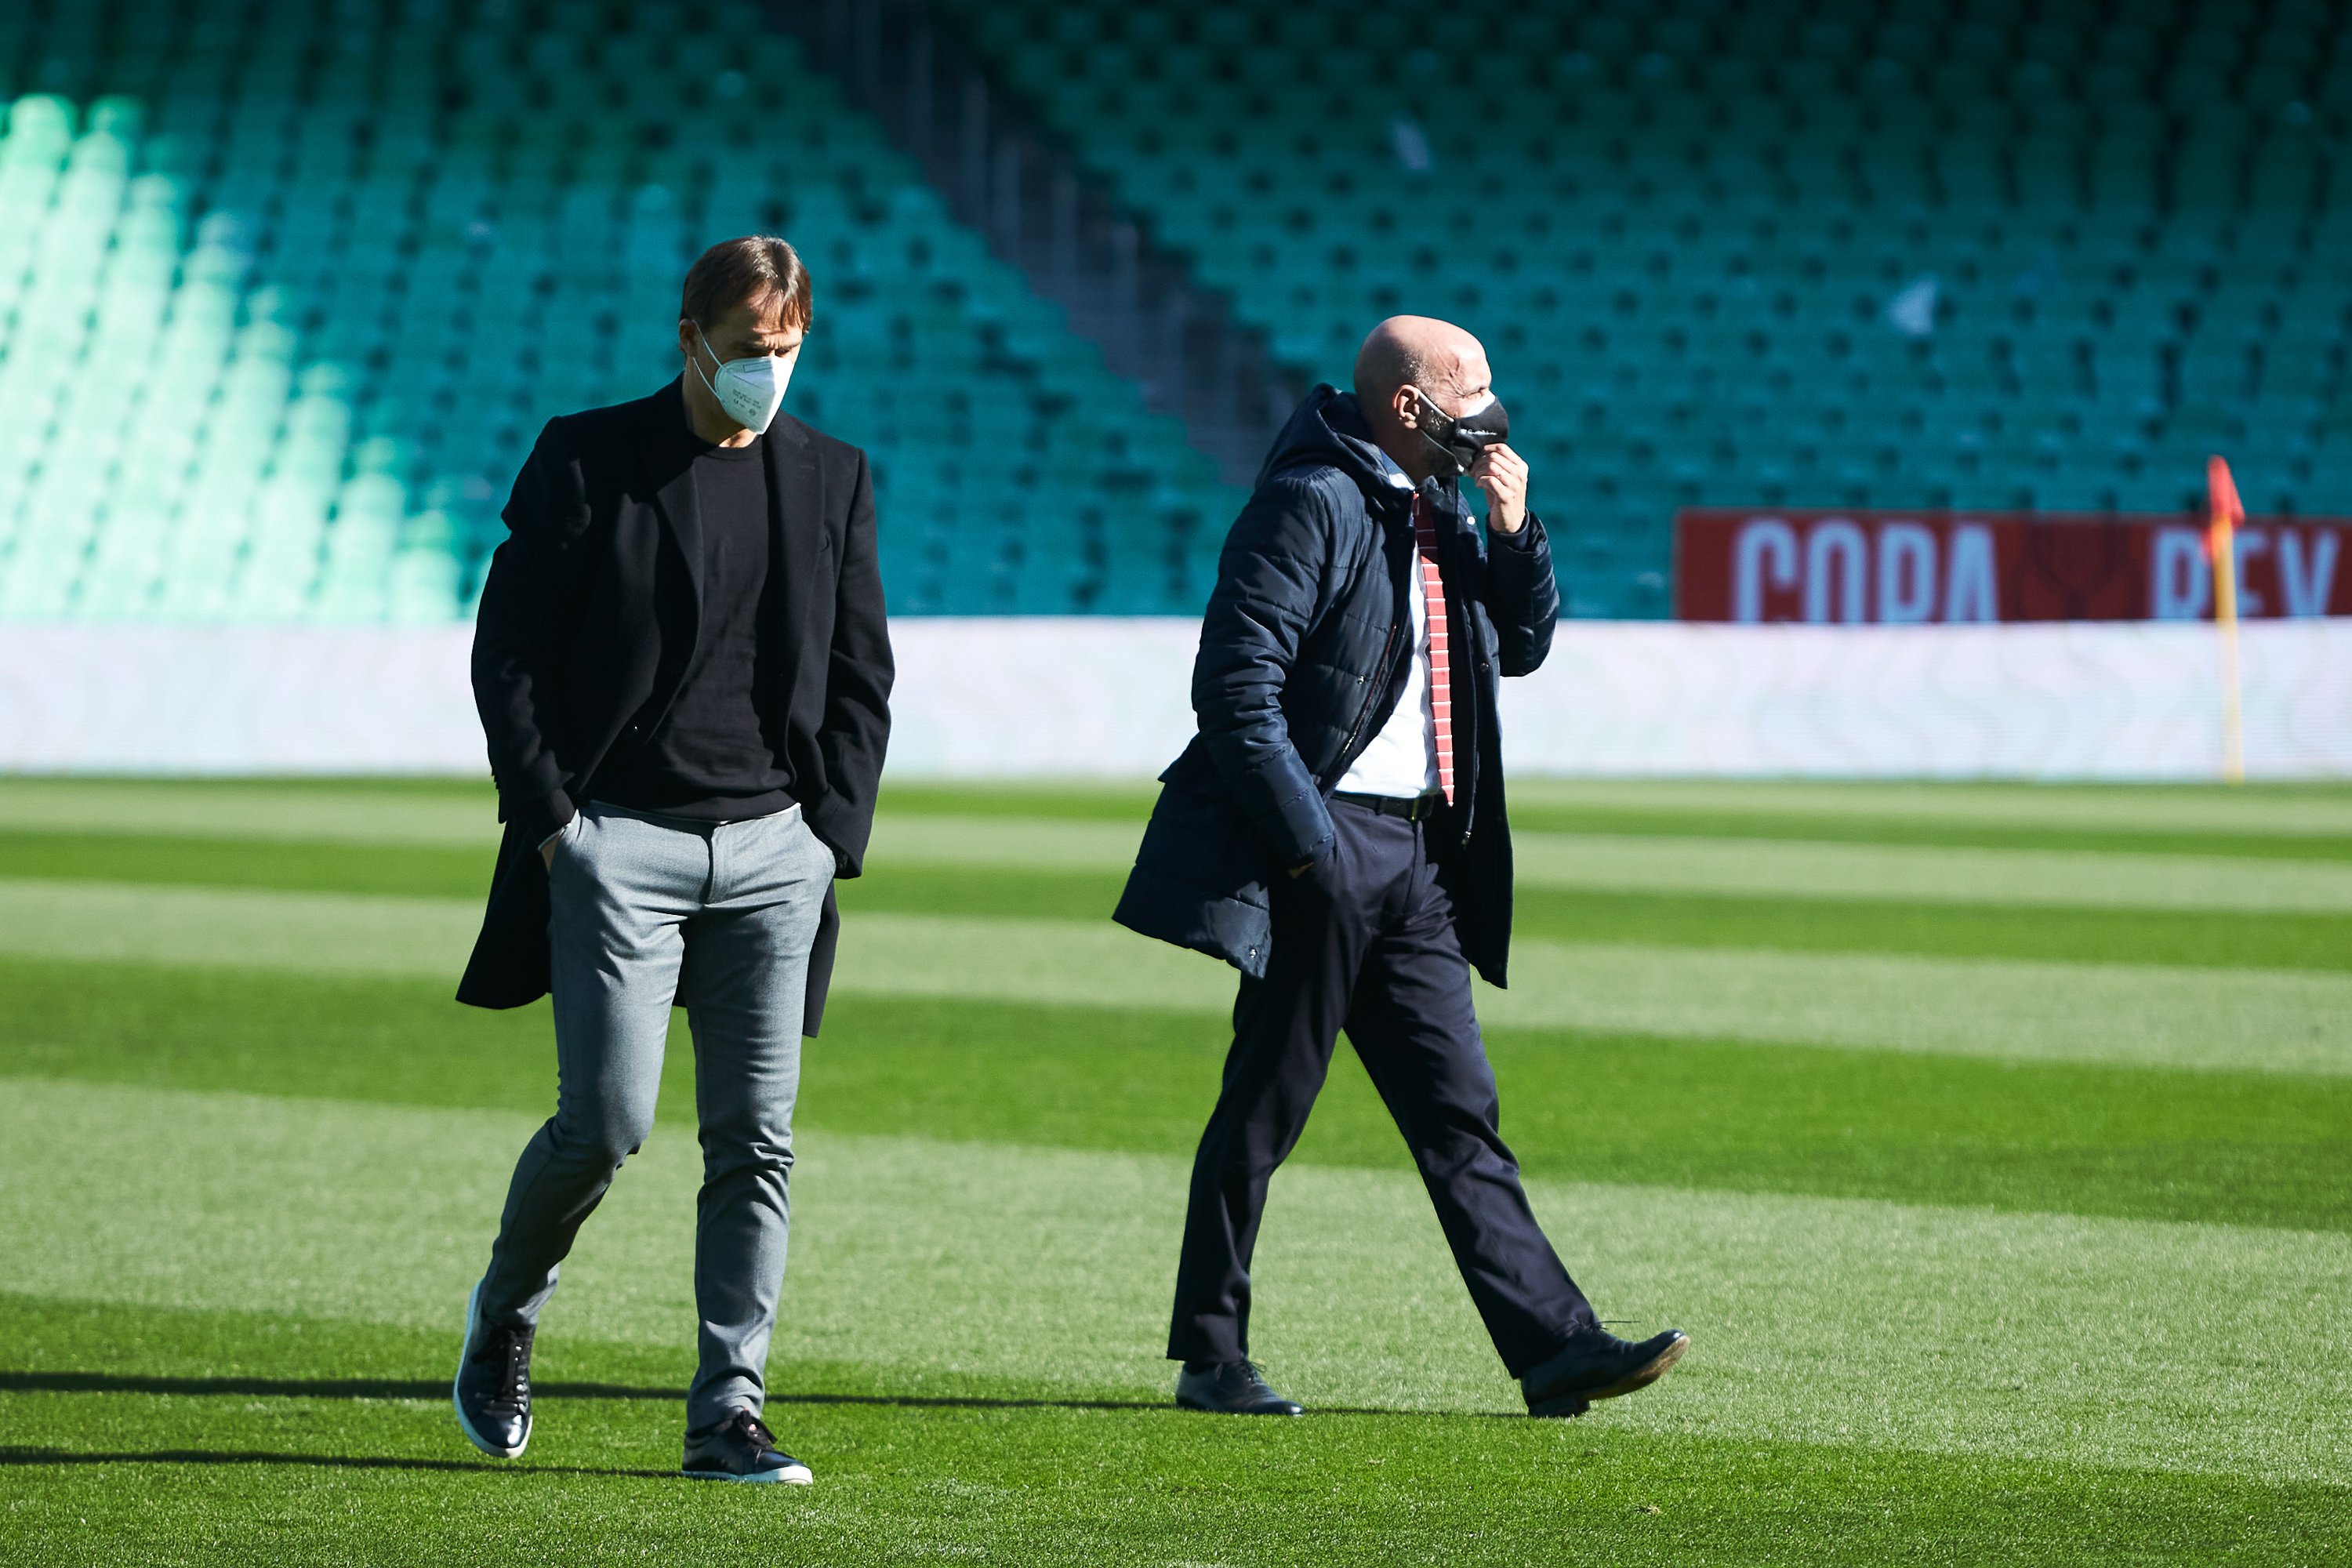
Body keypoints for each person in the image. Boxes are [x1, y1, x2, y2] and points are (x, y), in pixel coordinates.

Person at [1116, 316, 1686, 1418]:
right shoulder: (1313, 502)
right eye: (1467, 387)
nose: (1491, 406)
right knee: (1267, 1107)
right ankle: (1212, 1356)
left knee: (1458, 1111)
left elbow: (1520, 647)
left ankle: (1555, 1348)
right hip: (1326, 843)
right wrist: (1307, 845)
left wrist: (1519, 533)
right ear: (1409, 407)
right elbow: (1235, 689)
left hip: (1417, 853)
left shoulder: (1442, 506)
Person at [450, 236, 892, 1483]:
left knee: (756, 1143)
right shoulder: (587, 459)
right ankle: (506, 1318)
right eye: (752, 350)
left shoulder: (833, 478)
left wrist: (828, 840)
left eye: (789, 350)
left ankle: (727, 1412)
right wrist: (557, 829)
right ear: (690, 339)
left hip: (773, 853)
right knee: (603, 1126)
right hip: (617, 849)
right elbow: (510, 654)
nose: (772, 372)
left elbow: (863, 674)